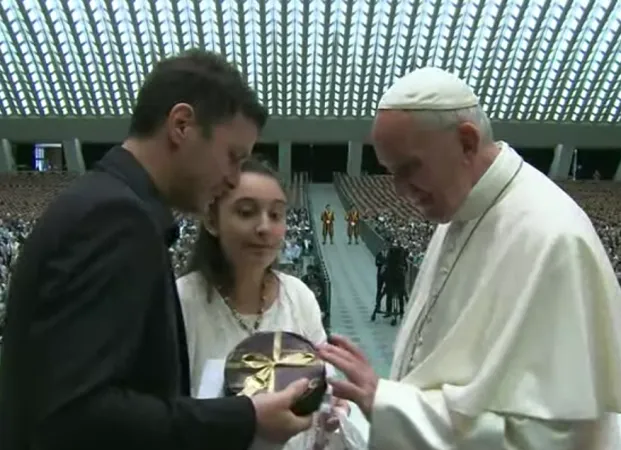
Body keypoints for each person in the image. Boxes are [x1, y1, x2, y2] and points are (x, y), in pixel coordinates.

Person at [0, 50, 312, 450]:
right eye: (233, 156)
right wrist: (246, 416)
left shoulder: (105, 203)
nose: (233, 177)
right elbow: (77, 412)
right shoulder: (114, 219)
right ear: (181, 125)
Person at [319, 67, 621, 449]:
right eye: (390, 173)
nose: (398, 190)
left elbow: (551, 436)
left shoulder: (553, 239)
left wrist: (386, 401)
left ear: (466, 142)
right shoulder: (460, 209)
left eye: (409, 168)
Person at [176, 159, 349, 449]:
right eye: (246, 212)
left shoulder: (299, 295)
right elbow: (165, 417)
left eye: (277, 215)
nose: (264, 227)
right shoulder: (181, 301)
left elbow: (321, 383)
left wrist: (334, 406)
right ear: (211, 220)